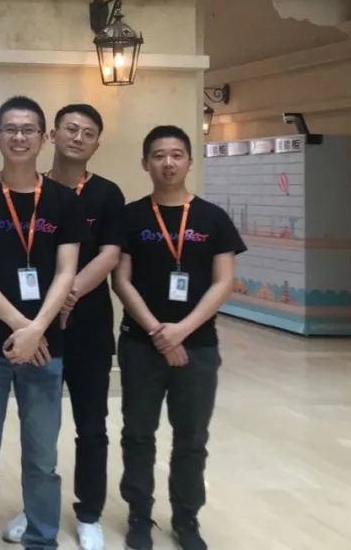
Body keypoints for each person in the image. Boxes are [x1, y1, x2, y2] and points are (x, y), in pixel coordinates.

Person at [0, 95, 88, 550]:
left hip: (45, 349)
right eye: (10, 129)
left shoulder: (64, 200)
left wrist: (37, 330)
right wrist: (21, 326)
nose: (19, 137)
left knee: (42, 459)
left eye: (28, 129)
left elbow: (67, 271)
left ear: (44, 138)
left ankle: (42, 540)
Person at [111, 125, 245, 550]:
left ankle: (187, 519)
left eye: (176, 154)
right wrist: (157, 331)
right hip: (140, 343)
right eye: (158, 155)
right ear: (145, 163)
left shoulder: (213, 218)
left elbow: (223, 282)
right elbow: (121, 280)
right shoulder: (131, 216)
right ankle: (139, 515)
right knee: (138, 433)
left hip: (198, 347)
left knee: (191, 438)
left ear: (189, 161)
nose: (167, 163)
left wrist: (181, 331)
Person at [2, 104, 125, 550]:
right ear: (51, 136)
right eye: (70, 129)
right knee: (39, 428)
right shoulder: (31, 190)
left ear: (97, 144)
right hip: (39, 329)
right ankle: (38, 509)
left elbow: (110, 254)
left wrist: (68, 295)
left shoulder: (107, 194)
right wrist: (46, 316)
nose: (78, 137)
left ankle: (89, 513)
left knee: (92, 425)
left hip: (89, 327)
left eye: (88, 133)